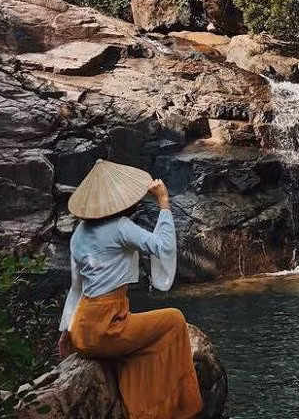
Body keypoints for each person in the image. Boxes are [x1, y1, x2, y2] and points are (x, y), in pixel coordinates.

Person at [57, 159, 203, 419]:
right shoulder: (120, 228)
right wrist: (164, 203)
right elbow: (162, 247)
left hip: (81, 332)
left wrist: (65, 330)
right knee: (175, 321)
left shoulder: (78, 233)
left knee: (141, 339)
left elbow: (76, 288)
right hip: (108, 329)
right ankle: (178, 408)